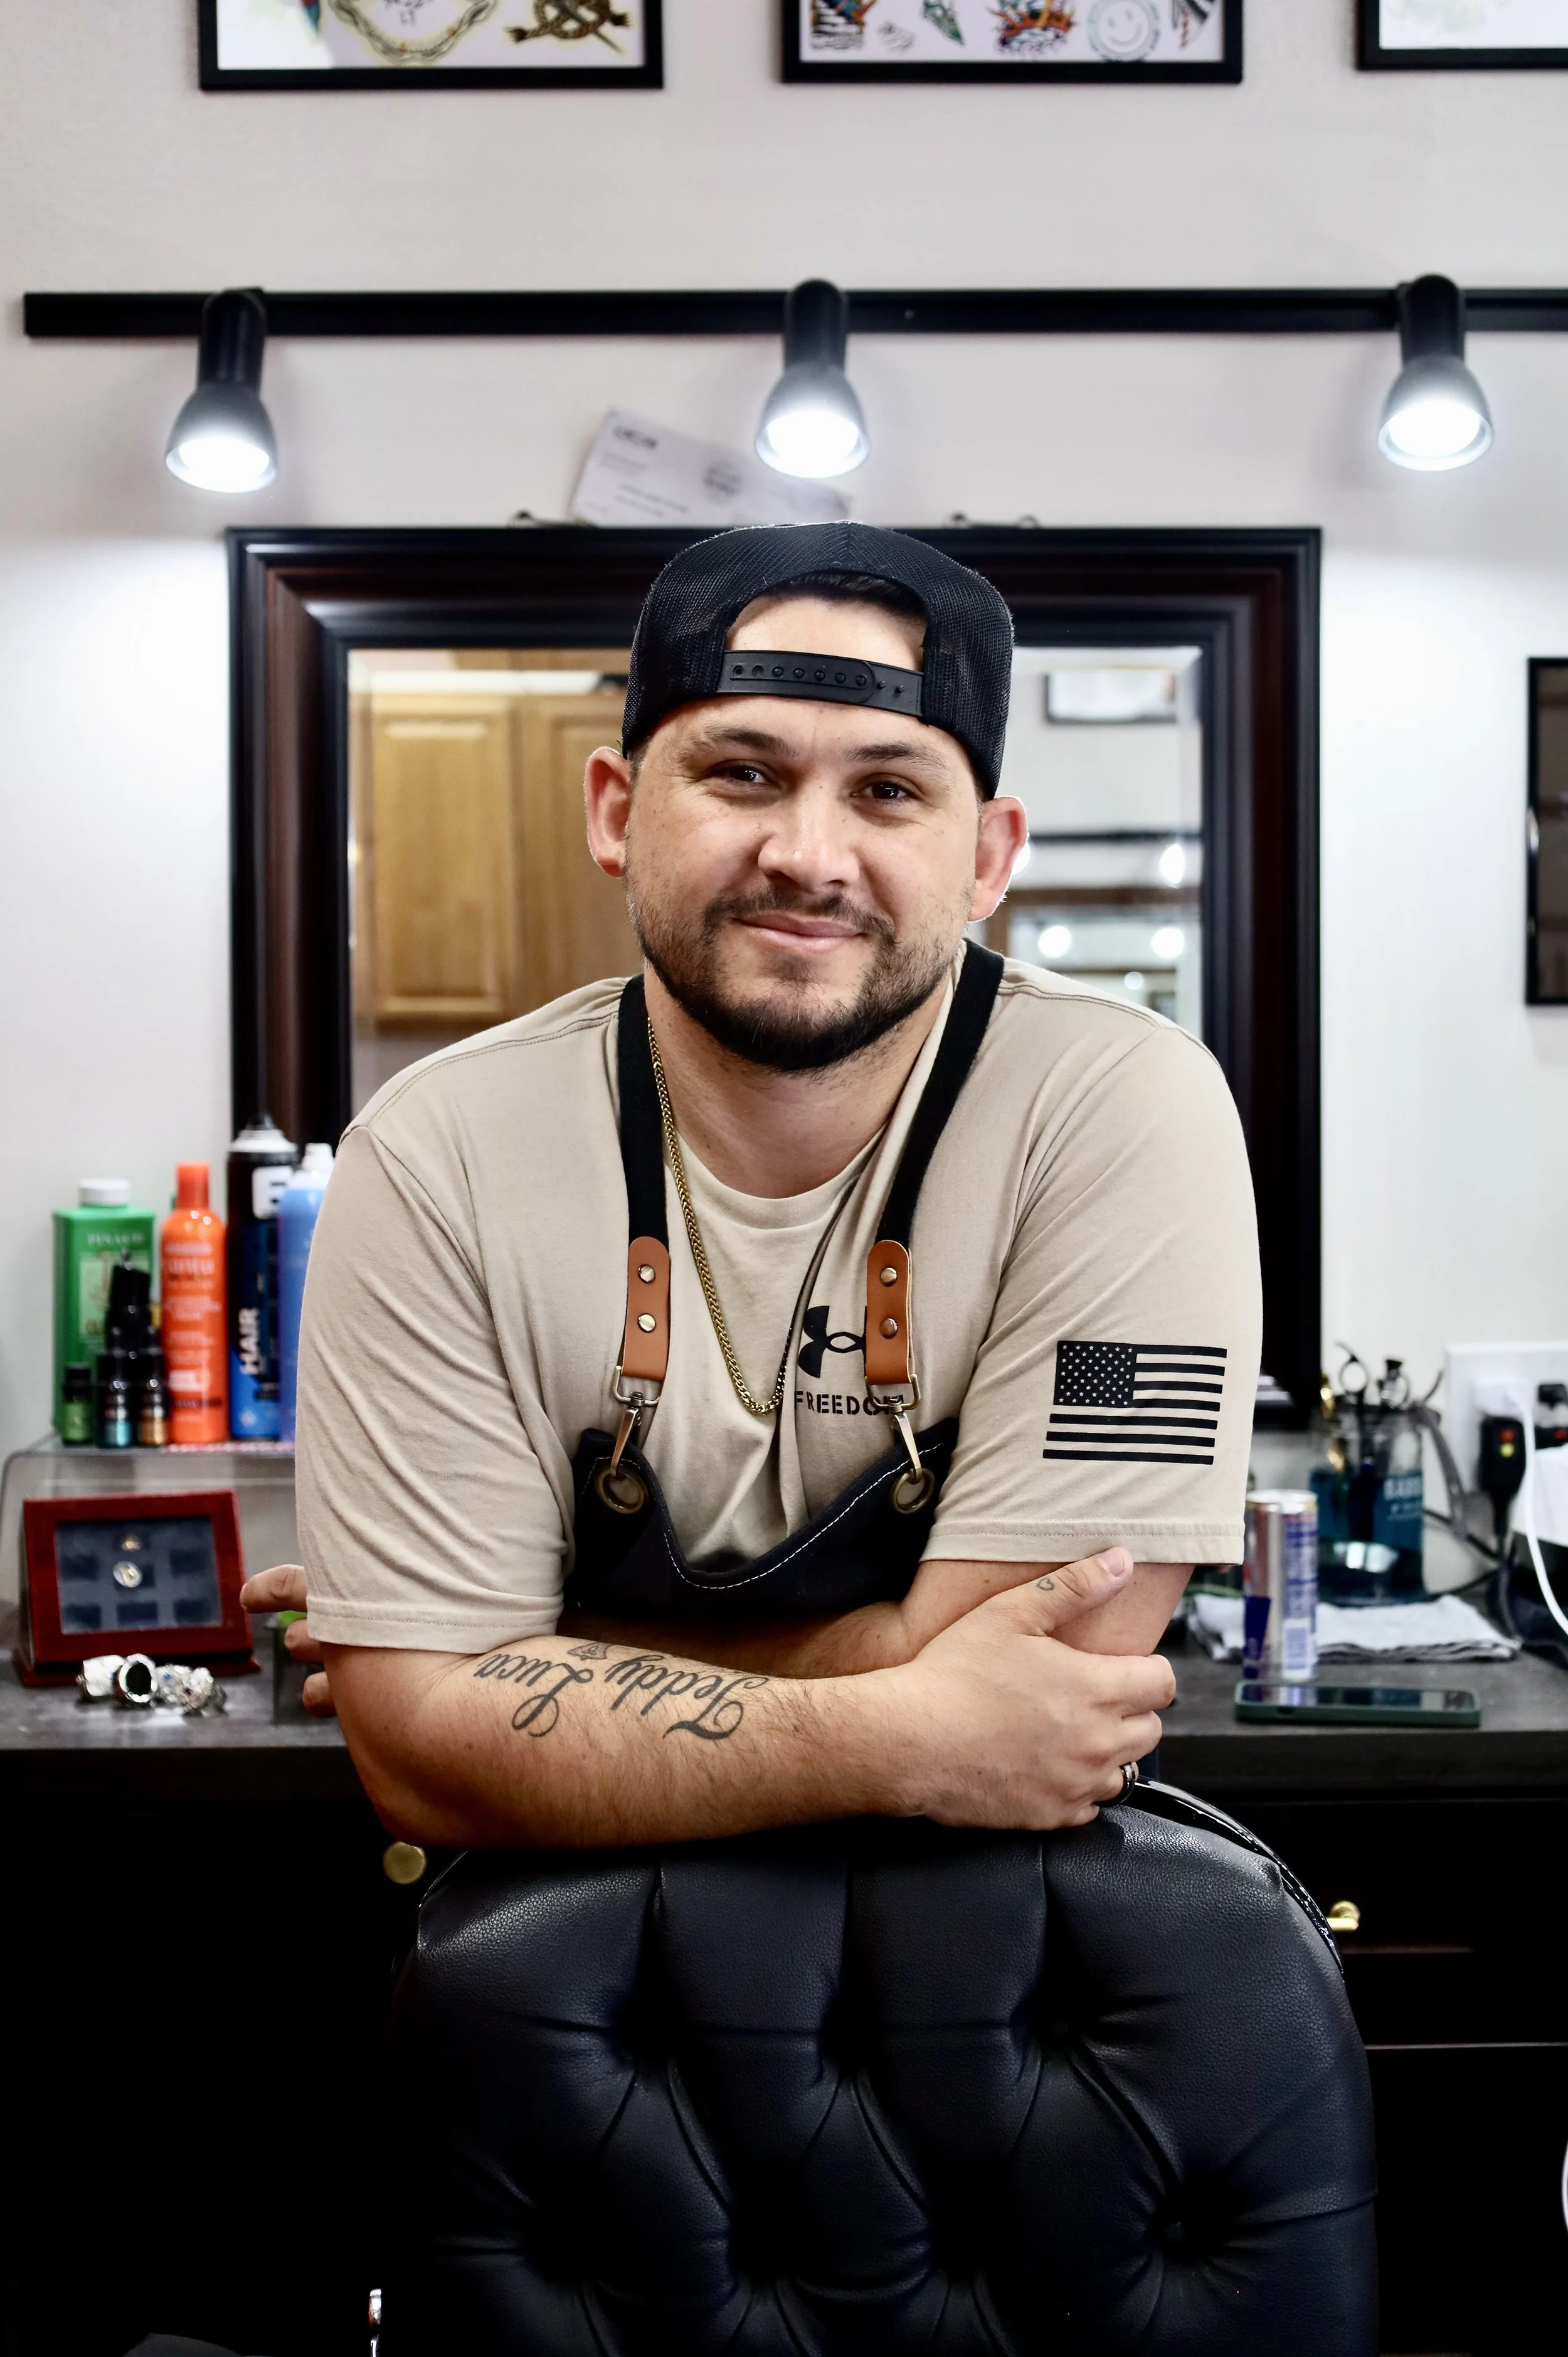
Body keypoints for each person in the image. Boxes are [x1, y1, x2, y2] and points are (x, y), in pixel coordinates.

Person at [243, 522, 1259, 1849]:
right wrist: (910, 1714)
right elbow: (422, 1765)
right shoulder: (439, 1152)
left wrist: (522, 1653)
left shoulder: (1125, 1111)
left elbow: (1052, 1680)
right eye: (742, 773)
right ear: (616, 811)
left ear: (986, 858)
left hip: (988, 1949)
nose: (808, 856)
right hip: (554, 1954)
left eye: (887, 790)